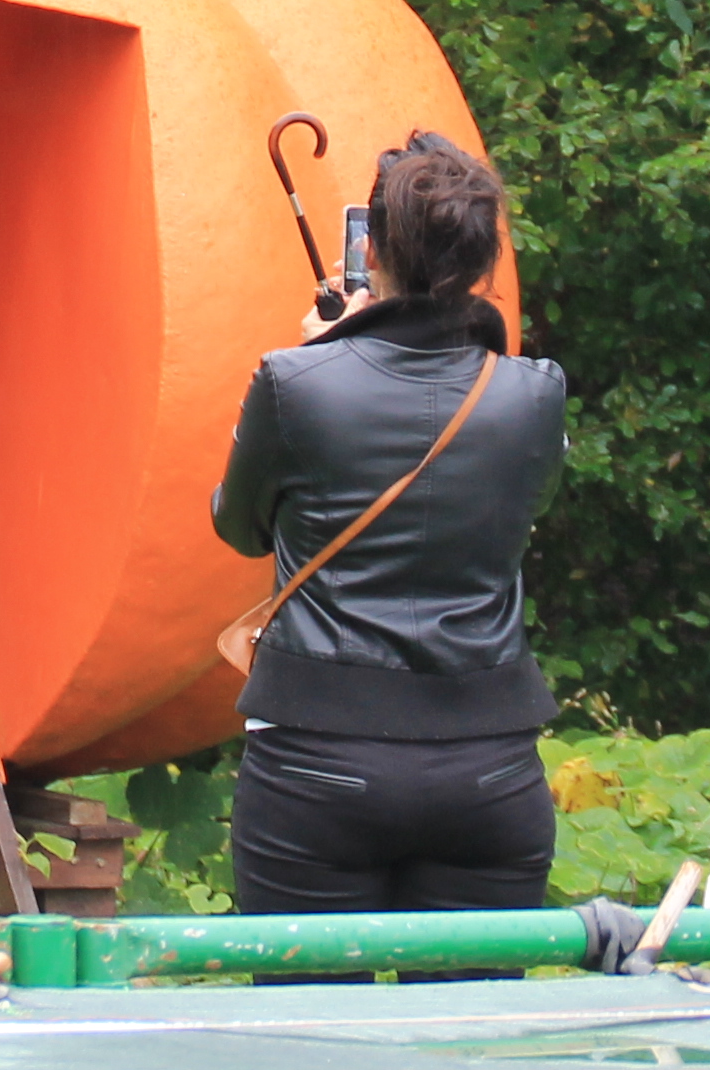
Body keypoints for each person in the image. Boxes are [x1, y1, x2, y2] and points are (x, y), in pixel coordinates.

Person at [210, 135, 568, 919]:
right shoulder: (536, 394)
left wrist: (325, 352)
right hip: (490, 764)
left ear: (370, 250)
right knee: (461, 1039)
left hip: (316, 757)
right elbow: (520, 507)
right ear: (484, 260)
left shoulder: (294, 382)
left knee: (309, 1035)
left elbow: (238, 527)